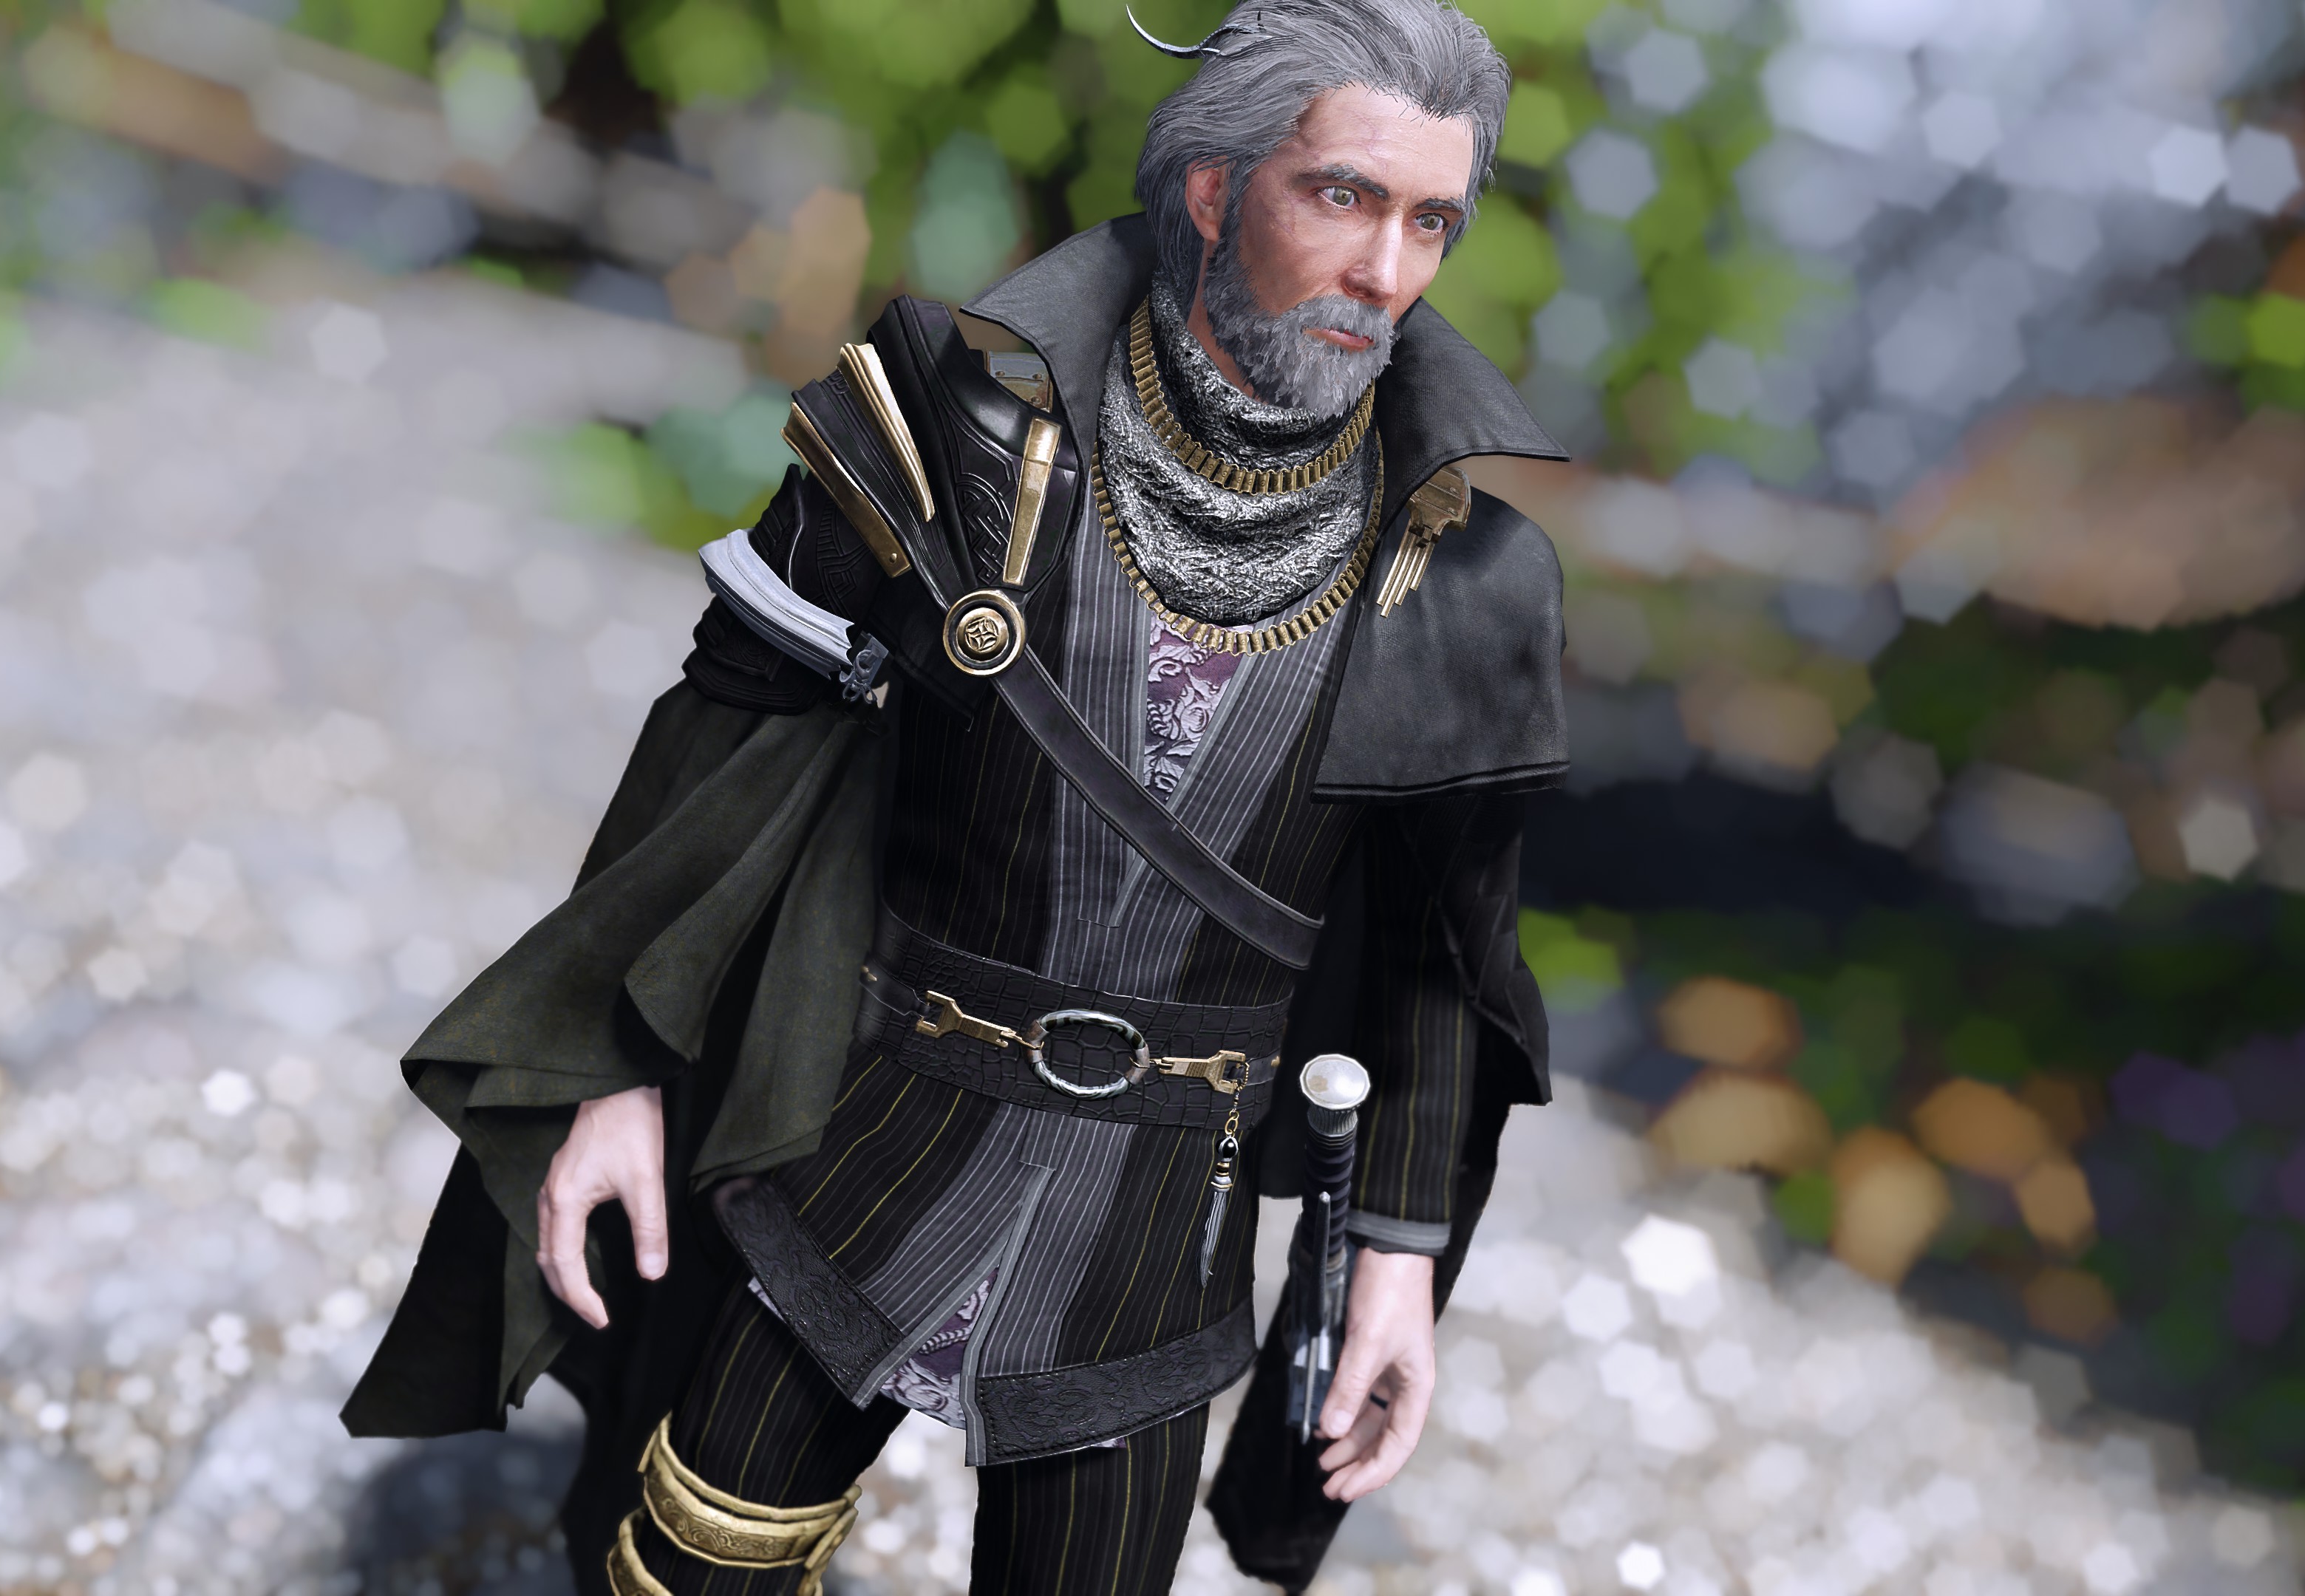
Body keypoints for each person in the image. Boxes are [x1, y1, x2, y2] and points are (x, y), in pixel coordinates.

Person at [342, 3, 1571, 1591]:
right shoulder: (953, 436)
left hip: (1154, 1245)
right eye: (1343, 196)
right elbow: (726, 744)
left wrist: (1393, 1261)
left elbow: (1437, 959)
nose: (1386, 270)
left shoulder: (1461, 581)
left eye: (1430, 222)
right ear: (1213, 191)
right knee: (684, 1568)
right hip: (856, 1160)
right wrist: (619, 1075)